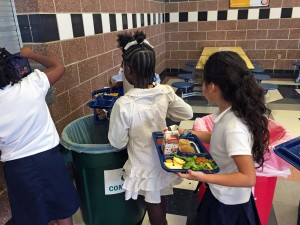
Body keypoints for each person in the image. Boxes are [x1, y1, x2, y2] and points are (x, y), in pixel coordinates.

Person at [108, 30, 193, 225]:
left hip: (143, 163)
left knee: (152, 204)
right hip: (164, 156)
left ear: (127, 69)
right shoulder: (165, 91)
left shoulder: (124, 104)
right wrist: (168, 110)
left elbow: (117, 142)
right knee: (159, 196)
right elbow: (187, 113)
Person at [178, 51, 271, 225]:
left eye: (202, 81)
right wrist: (190, 134)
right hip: (221, 193)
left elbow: (248, 178)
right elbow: (221, 141)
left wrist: (203, 177)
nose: (202, 85)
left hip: (228, 205)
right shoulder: (229, 112)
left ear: (212, 86)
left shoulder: (233, 127)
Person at [0, 47, 80, 225]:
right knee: (63, 210)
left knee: (32, 217)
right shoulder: (31, 84)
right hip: (49, 161)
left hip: (18, 170)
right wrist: (31, 55)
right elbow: (59, 66)